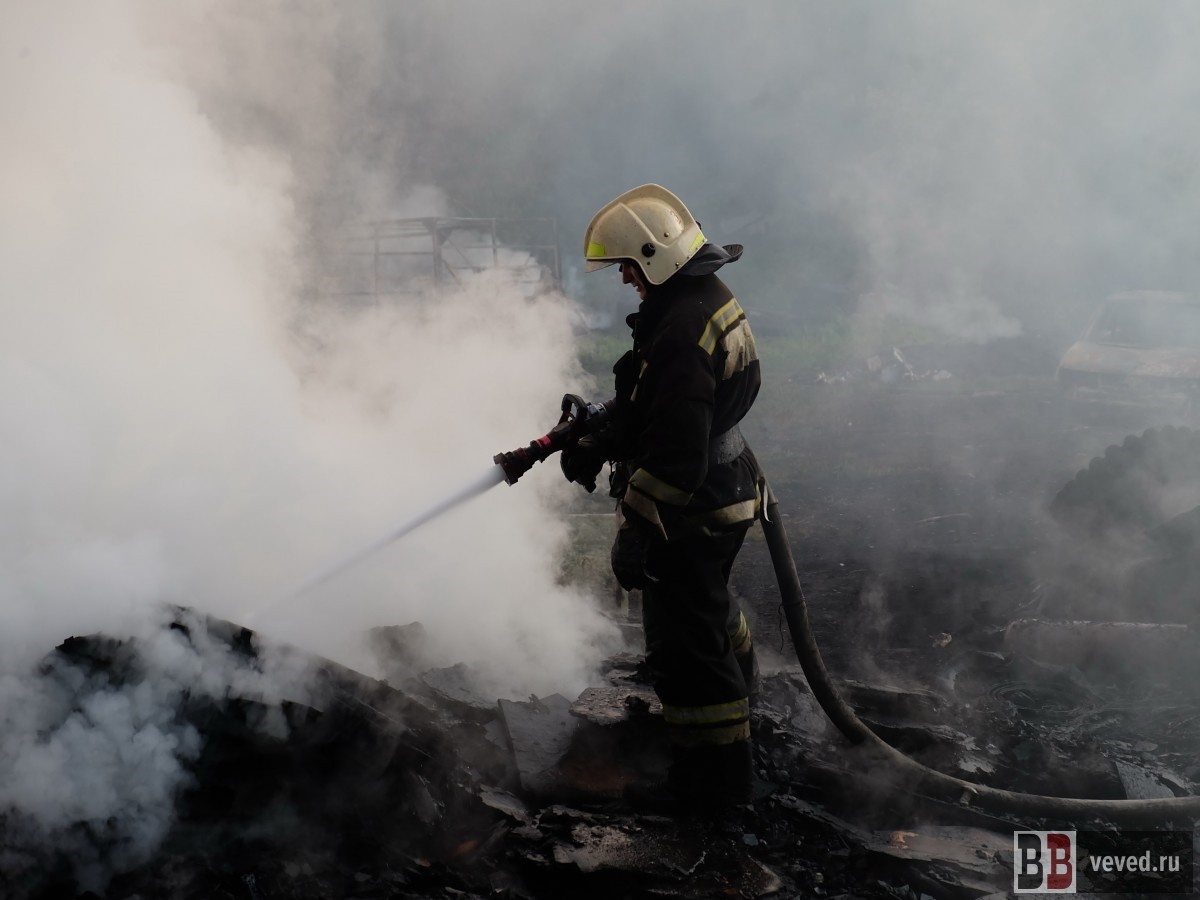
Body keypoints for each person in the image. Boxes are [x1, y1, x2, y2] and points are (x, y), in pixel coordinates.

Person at [562, 184, 764, 809]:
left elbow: (677, 454)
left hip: (694, 502)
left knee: (685, 648)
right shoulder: (698, 300)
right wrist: (599, 439)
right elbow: (660, 402)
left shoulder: (681, 327)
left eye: (628, 265)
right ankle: (746, 692)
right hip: (722, 488)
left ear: (657, 255)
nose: (624, 278)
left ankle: (715, 787)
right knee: (703, 608)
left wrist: (636, 529)